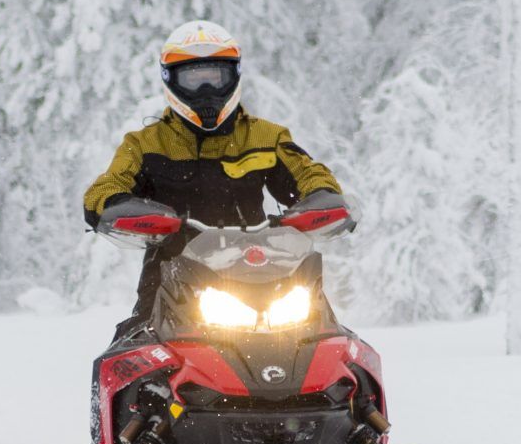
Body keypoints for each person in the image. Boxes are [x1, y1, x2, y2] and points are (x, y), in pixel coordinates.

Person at [82, 21, 349, 335]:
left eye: (215, 77)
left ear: (233, 76)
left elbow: (308, 172)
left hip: (261, 272)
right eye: (194, 79)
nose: (206, 90)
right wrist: (118, 207)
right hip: (173, 277)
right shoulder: (145, 144)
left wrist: (322, 197)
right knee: (134, 350)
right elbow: (105, 188)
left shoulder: (265, 137)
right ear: (171, 81)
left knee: (330, 340)